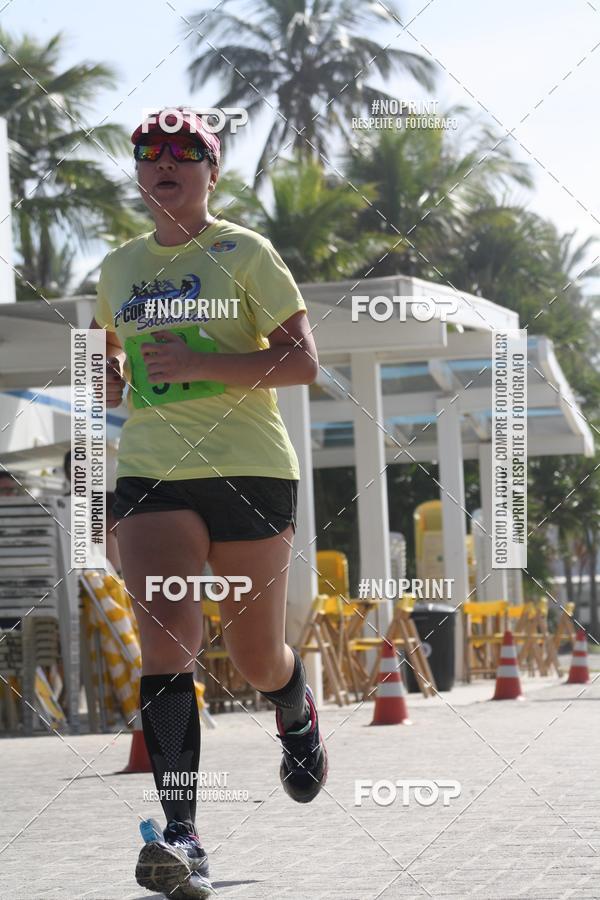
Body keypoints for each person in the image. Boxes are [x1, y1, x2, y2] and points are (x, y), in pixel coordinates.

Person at [90, 108, 327, 900]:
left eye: (185, 155)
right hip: (153, 468)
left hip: (250, 468)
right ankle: (183, 836)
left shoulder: (245, 251)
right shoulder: (118, 268)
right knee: (169, 640)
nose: (165, 164)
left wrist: (201, 360)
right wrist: (114, 382)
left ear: (210, 173)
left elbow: (301, 364)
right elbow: (108, 366)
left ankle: (293, 707)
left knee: (256, 655)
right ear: (138, 175)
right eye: (150, 155)